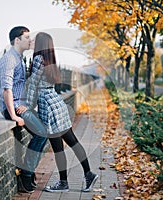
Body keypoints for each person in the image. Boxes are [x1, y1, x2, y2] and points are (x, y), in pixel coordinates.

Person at [18, 32, 98, 192]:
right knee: (73, 142)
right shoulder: (51, 59)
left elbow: (33, 84)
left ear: (40, 43)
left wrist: (27, 105)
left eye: (34, 39)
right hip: (57, 103)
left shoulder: (39, 59)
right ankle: (88, 174)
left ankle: (64, 183)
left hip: (49, 107)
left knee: (58, 147)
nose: (32, 41)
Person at [0, 26, 48, 193]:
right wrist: (13, 114)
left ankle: (28, 172)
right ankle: (26, 175)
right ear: (17, 40)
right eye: (27, 38)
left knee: (42, 134)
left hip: (20, 104)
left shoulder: (18, 57)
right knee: (41, 134)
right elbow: (6, 88)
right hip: (14, 107)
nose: (30, 40)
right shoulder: (10, 59)